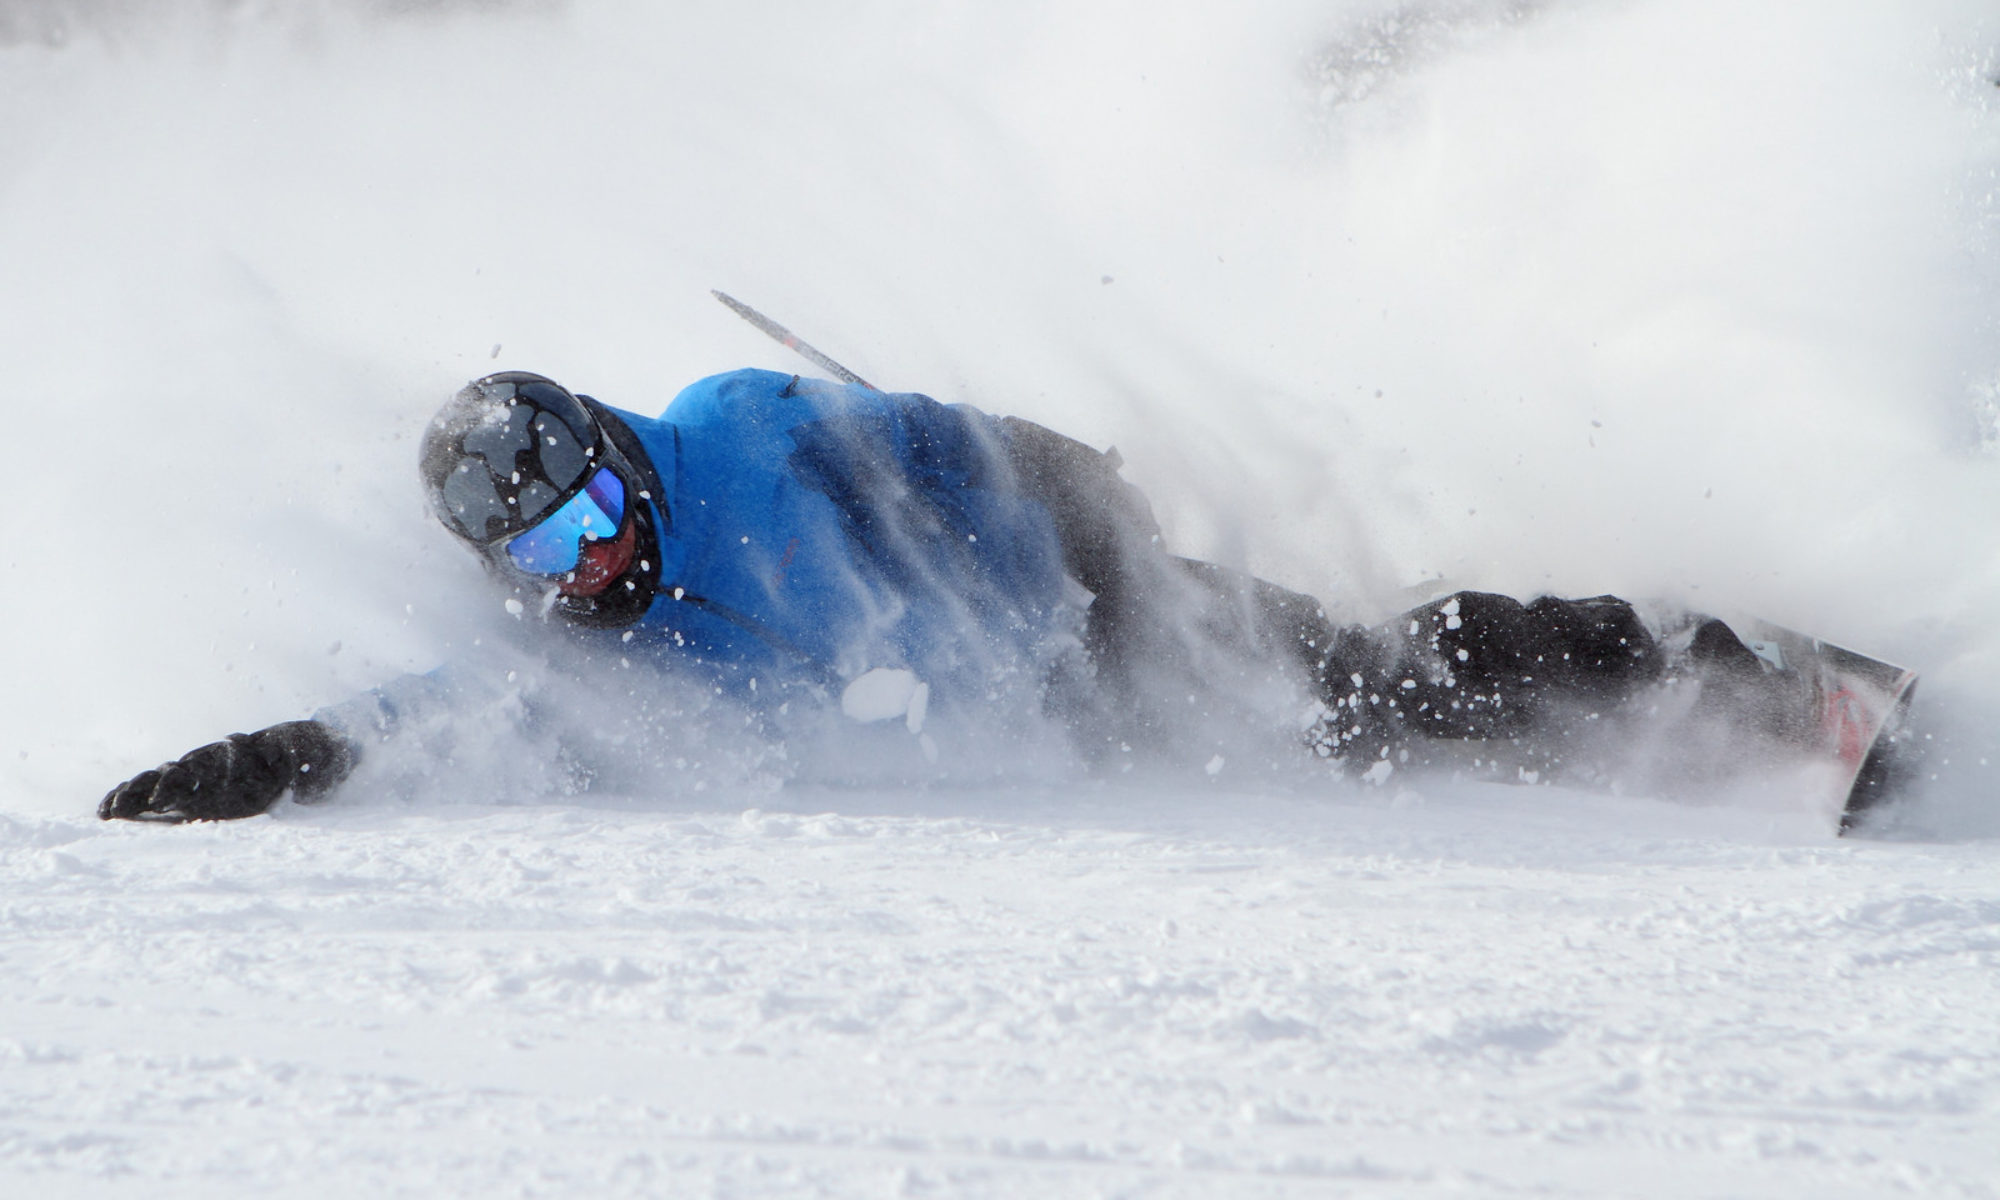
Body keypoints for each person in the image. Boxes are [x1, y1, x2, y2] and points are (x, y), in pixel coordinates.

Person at [97, 369, 1845, 823]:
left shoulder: (742, 435)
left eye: (595, 515)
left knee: (1375, 690)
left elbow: (931, 437)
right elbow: (453, 719)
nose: (597, 562)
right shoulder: (609, 657)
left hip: (1095, 604)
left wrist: (1064, 483)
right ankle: (1689, 750)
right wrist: (278, 756)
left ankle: (1731, 671)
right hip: (1072, 723)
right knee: (1381, 760)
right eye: (548, 558)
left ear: (619, 457)